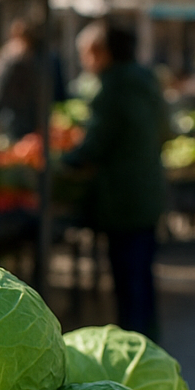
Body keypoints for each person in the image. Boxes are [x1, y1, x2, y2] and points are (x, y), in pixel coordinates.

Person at [63, 20, 169, 339]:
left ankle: (133, 345)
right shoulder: (147, 79)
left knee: (128, 279)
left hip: (122, 197)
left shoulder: (112, 89)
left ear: (102, 52)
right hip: (149, 189)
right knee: (142, 276)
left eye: (87, 52)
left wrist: (64, 161)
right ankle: (148, 341)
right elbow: (167, 131)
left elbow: (94, 146)